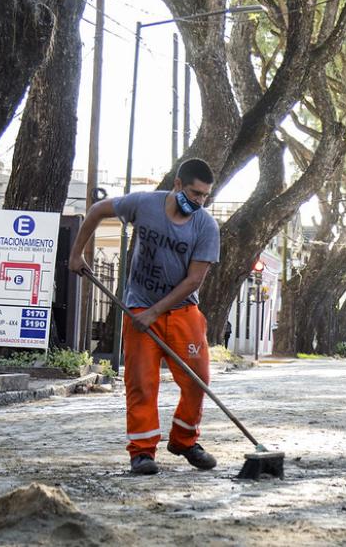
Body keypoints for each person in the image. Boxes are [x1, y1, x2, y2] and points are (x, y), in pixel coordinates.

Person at [69, 158, 220, 475]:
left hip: (181, 311)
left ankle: (184, 440)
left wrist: (154, 312)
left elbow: (194, 280)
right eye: (194, 193)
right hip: (138, 306)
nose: (199, 201)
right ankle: (142, 452)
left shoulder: (206, 226)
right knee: (140, 382)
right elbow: (97, 210)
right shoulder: (143, 204)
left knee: (198, 381)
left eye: (204, 196)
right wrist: (76, 253)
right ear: (178, 184)